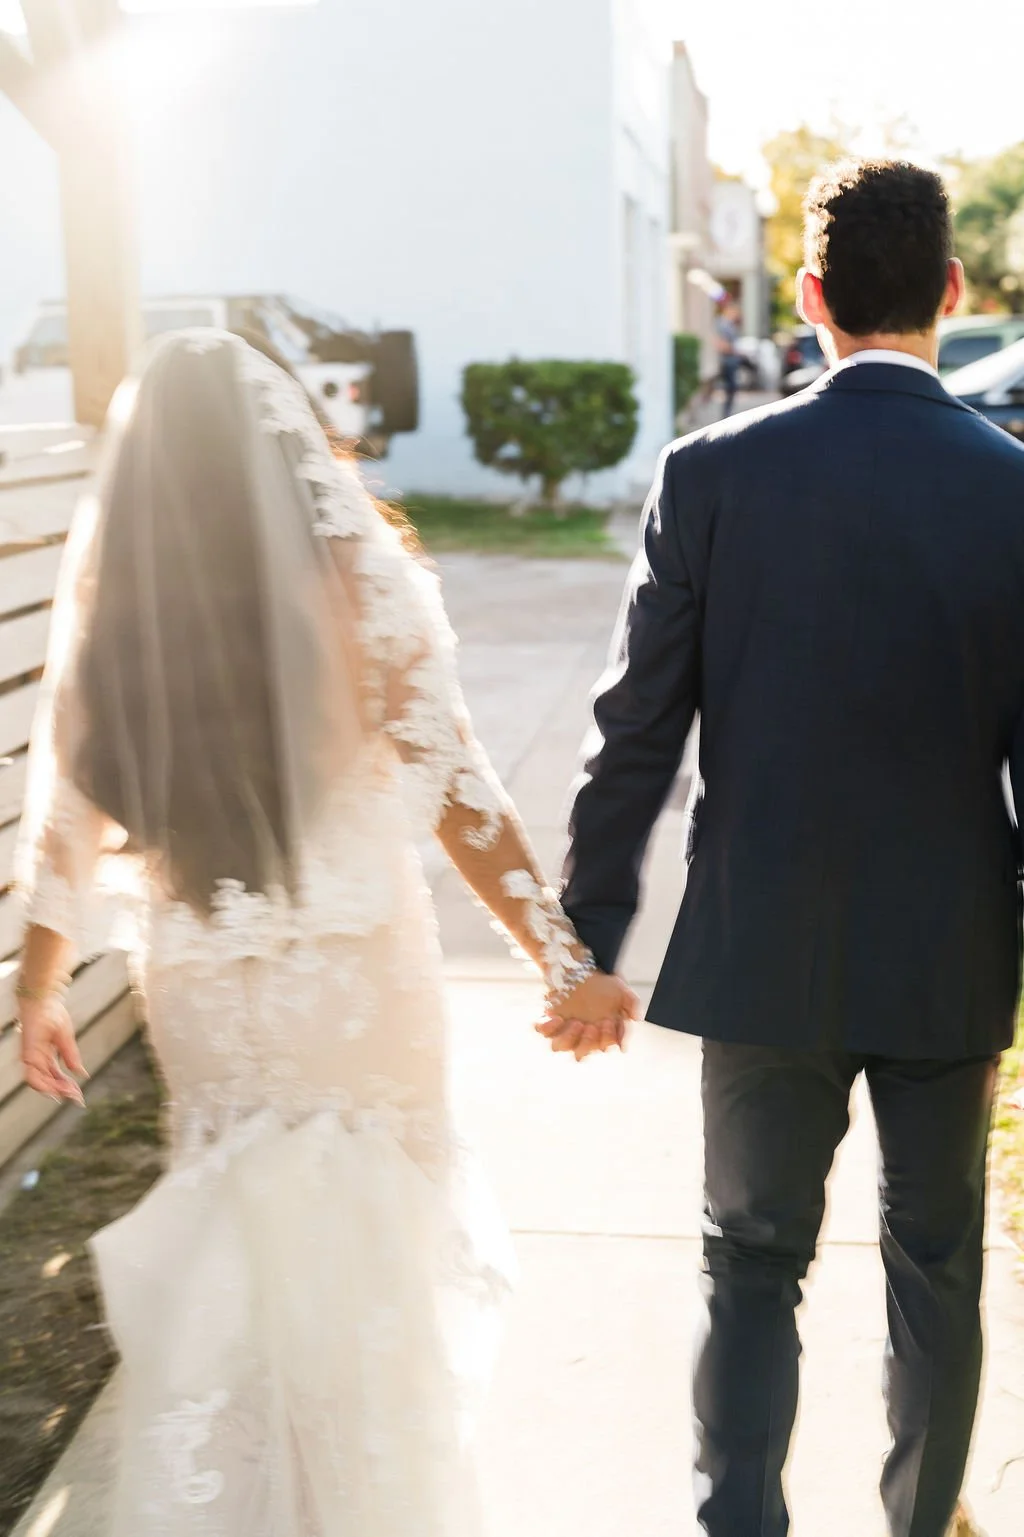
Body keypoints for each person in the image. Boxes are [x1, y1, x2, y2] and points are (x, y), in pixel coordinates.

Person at [15, 330, 635, 1536]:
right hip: (356, 984)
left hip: (205, 984)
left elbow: (64, 817)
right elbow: (457, 789)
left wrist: (40, 987)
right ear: (282, 441)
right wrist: (562, 962)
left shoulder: (120, 609)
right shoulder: (355, 576)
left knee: (241, 1282)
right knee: (368, 1278)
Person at [558, 160, 1023, 1537]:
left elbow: (635, 728)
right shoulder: (1014, 489)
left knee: (749, 1261)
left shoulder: (710, 474)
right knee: (937, 1261)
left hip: (760, 943)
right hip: (950, 947)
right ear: (952, 289)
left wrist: (586, 935)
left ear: (810, 297)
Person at [714, 297, 743, 417]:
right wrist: (735, 350)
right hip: (726, 361)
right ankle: (725, 415)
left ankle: (726, 414)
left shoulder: (730, 325)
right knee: (728, 389)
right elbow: (720, 344)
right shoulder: (722, 324)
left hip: (731, 361)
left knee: (730, 390)